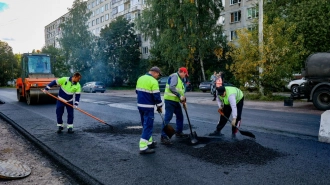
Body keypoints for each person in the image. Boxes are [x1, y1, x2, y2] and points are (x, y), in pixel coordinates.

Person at [136, 66, 163, 154]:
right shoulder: (153, 81)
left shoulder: (140, 78)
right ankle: (143, 147)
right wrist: (159, 106)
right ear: (155, 72)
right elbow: (156, 96)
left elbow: (137, 91)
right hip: (148, 107)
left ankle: (149, 142)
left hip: (140, 106)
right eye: (158, 75)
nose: (157, 77)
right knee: (148, 125)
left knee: (145, 124)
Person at [161, 67, 189, 145]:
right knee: (168, 117)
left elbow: (180, 91)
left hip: (176, 101)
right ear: (182, 72)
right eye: (185, 74)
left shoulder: (180, 79)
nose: (185, 76)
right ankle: (163, 136)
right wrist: (180, 96)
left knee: (180, 116)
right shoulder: (175, 76)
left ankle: (179, 132)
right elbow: (171, 87)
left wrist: (183, 101)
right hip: (170, 100)